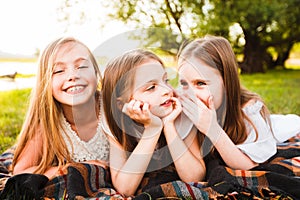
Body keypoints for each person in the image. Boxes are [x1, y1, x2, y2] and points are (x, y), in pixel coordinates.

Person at [102, 49, 206, 197]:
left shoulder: (180, 113)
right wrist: (152, 129)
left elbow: (194, 177)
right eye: (151, 87)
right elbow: (125, 189)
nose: (166, 90)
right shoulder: (117, 124)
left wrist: (169, 125)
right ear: (122, 105)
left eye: (166, 81)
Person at [177, 35, 281, 170]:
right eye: (184, 83)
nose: (190, 94)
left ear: (226, 82)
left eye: (200, 83)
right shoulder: (184, 106)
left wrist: (212, 129)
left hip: (278, 127)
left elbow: (249, 165)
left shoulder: (248, 111)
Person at [12, 37, 109, 179]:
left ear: (95, 72)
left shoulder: (113, 108)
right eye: (58, 71)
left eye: (82, 66)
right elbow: (21, 171)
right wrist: (78, 169)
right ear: (45, 83)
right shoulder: (48, 124)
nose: (73, 76)